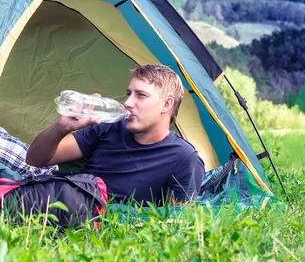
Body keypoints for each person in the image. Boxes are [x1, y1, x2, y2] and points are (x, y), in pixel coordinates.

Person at [25, 64, 205, 205]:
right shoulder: (109, 127)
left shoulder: (184, 158)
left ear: (166, 105)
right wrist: (61, 127)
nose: (128, 103)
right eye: (128, 94)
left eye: (140, 95)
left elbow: (175, 223)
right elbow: (35, 160)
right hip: (65, 202)